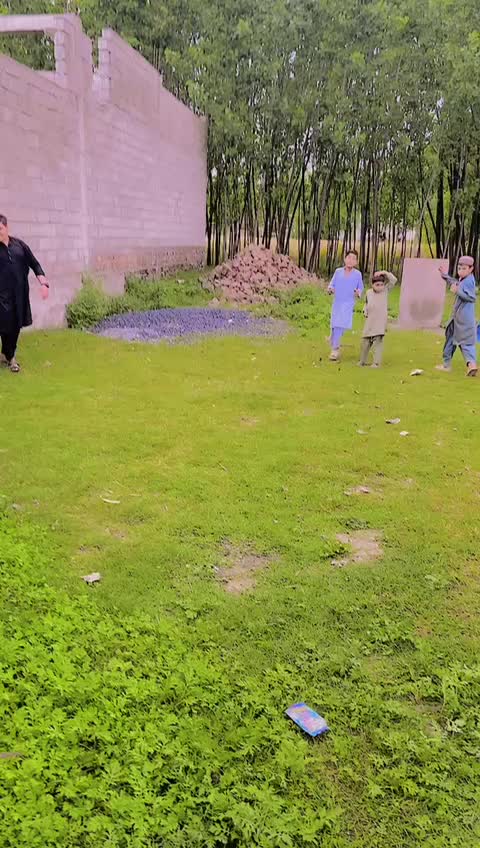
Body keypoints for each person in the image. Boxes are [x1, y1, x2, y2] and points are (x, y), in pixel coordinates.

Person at [0, 214, 49, 372]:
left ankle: (8, 354)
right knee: (4, 326)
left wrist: (44, 283)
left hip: (19, 295)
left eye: (0, 229)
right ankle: (10, 357)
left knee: (15, 327)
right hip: (1, 296)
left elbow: (34, 264)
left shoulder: (20, 246)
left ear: (6, 228)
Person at [436, 256, 477, 377]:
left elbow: (471, 297)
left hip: (461, 319)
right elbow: (455, 283)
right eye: (459, 268)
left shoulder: (469, 281)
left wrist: (457, 291)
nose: (461, 271)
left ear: (471, 269)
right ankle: (471, 365)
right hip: (463, 318)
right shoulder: (465, 279)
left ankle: (446, 365)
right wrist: (445, 275)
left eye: (464, 268)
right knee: (463, 342)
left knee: (454, 340)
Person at [327, 249, 363, 361]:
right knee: (334, 325)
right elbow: (331, 284)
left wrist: (358, 293)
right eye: (349, 258)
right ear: (345, 259)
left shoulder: (357, 274)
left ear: (356, 262)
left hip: (348, 303)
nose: (351, 260)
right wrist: (330, 289)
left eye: (353, 259)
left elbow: (360, 288)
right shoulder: (338, 272)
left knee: (340, 325)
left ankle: (335, 349)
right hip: (337, 302)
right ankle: (334, 342)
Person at [358, 270, 397, 368]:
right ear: (372, 285)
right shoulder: (369, 292)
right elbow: (366, 303)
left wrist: (384, 273)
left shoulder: (385, 291)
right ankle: (362, 361)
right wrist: (365, 310)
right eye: (377, 285)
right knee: (365, 342)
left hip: (380, 322)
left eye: (381, 284)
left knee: (377, 343)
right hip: (370, 322)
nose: (380, 287)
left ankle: (376, 363)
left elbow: (393, 280)